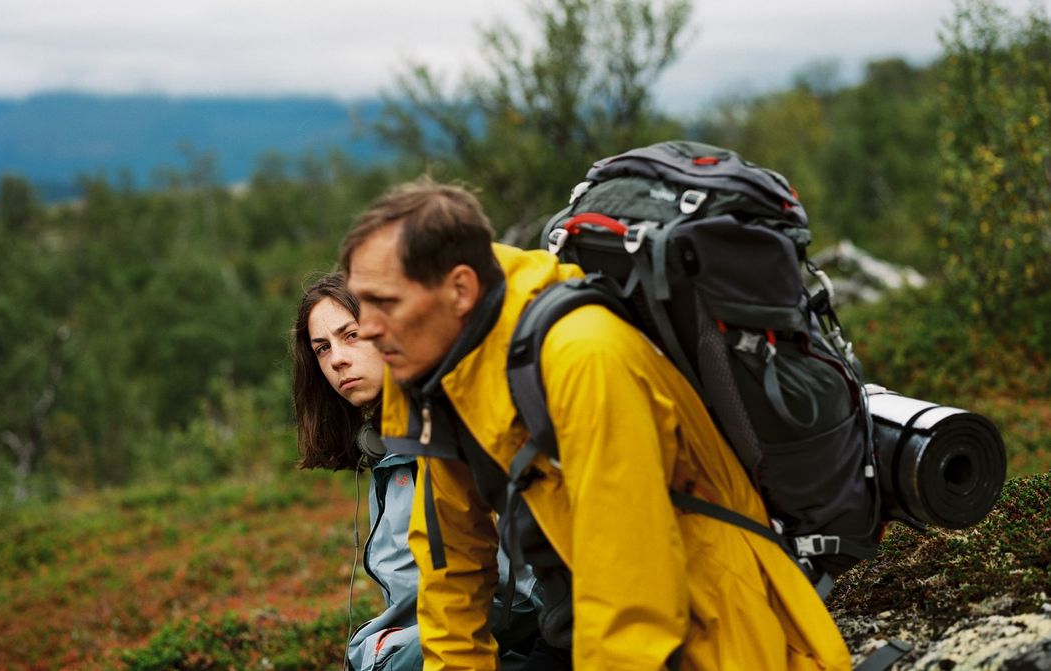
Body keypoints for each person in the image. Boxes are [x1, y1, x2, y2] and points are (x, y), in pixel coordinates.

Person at [341, 178, 854, 670]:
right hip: (572, 633)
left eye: (385, 302)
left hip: (711, 637)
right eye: (361, 301)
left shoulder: (582, 356)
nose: (365, 328)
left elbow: (633, 582)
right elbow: (452, 567)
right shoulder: (437, 371)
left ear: (460, 289)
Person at [291, 272, 539, 671]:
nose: (336, 358)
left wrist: (387, 655)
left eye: (351, 335)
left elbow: (525, 598)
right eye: (322, 347)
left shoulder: (458, 433)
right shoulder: (387, 452)